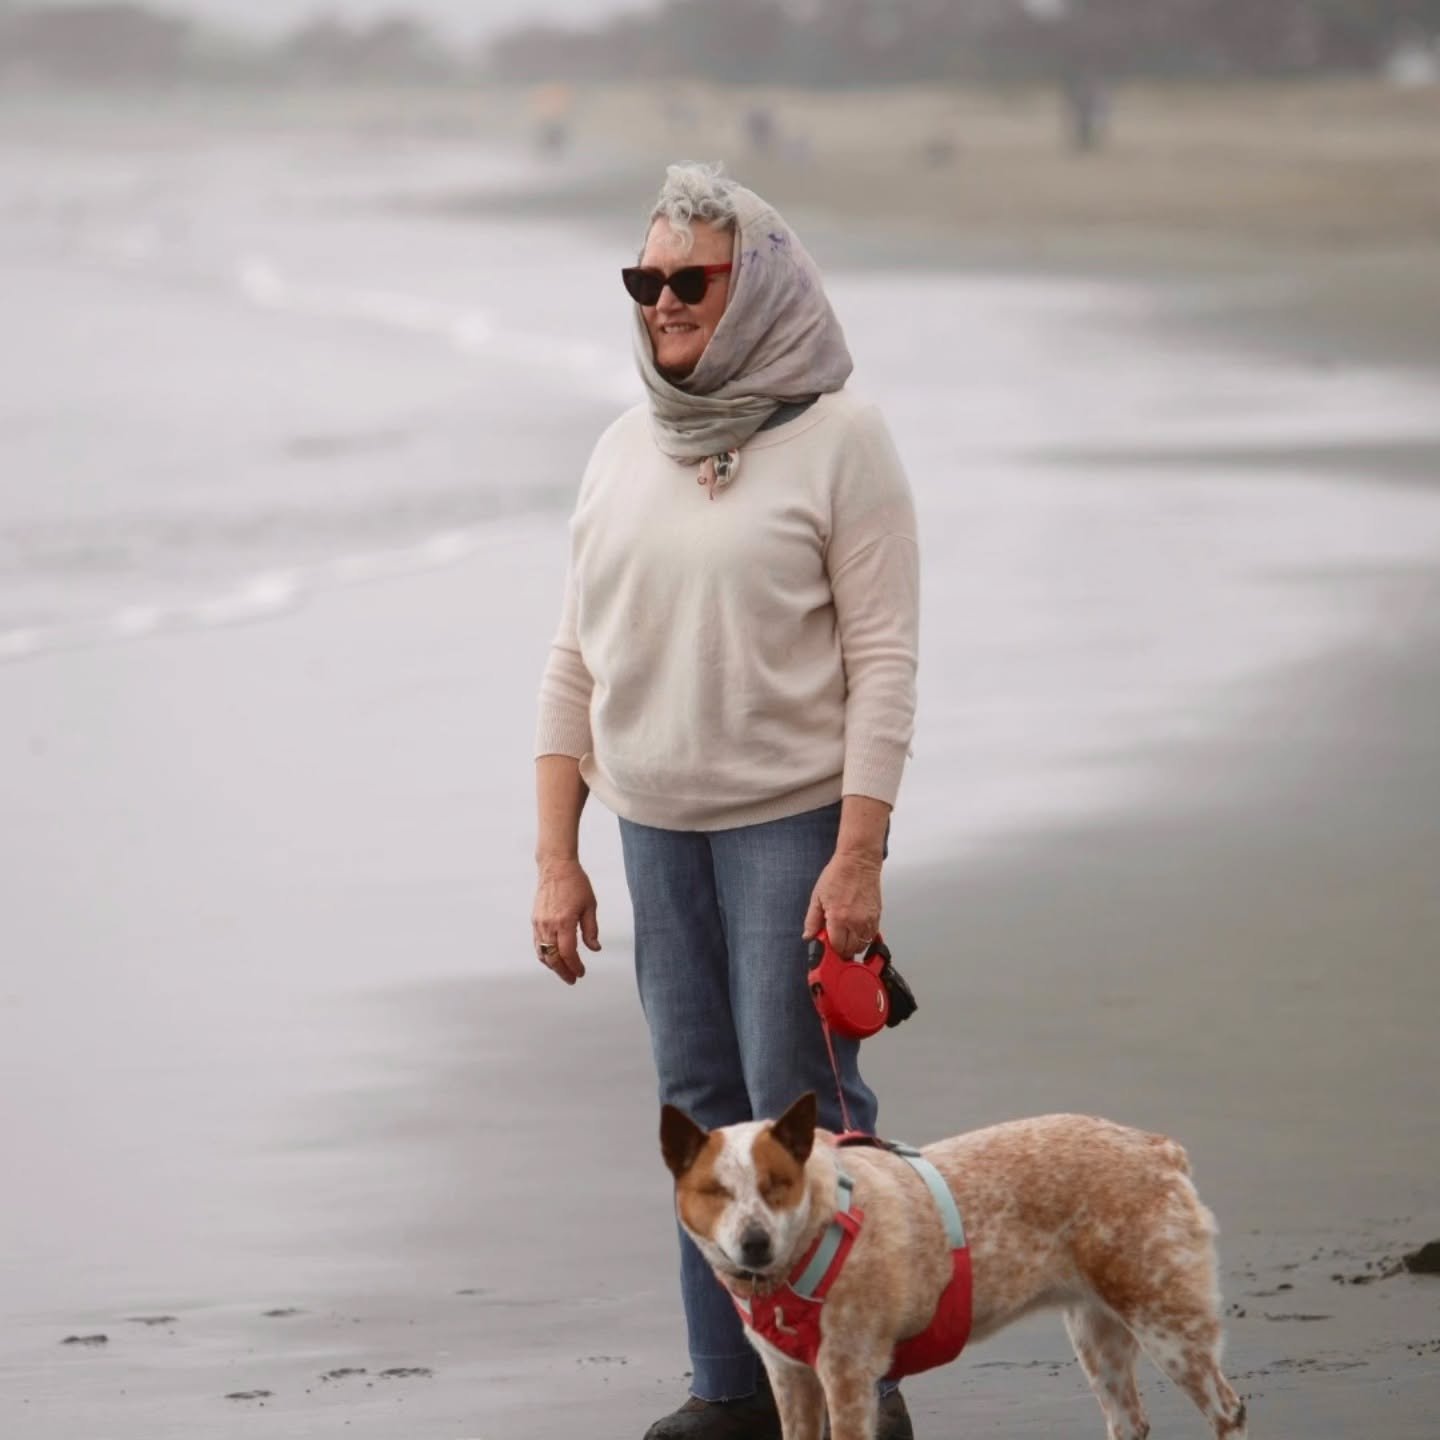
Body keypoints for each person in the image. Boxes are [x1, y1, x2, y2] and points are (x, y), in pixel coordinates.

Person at [531, 162, 920, 1440]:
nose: (662, 301)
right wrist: (556, 856)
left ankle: (860, 1390)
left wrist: (859, 853)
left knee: (802, 1098)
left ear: (754, 283)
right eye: (644, 280)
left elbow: (884, 660)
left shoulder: (842, 438)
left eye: (689, 280)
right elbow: (574, 661)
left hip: (790, 824)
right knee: (699, 1109)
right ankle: (733, 1391)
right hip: (653, 824)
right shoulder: (620, 447)